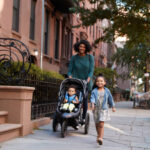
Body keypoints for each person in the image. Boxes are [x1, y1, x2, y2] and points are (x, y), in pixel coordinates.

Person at [68, 39, 94, 123]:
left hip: (85, 82)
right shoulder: (74, 57)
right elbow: (69, 70)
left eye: (83, 47)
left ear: (86, 48)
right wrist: (70, 77)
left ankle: (83, 117)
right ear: (77, 47)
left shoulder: (90, 57)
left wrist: (88, 80)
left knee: (84, 99)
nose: (81, 48)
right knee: (71, 97)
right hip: (75, 81)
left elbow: (91, 71)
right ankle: (71, 112)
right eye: (80, 46)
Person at [90, 74, 116, 145]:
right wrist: (92, 104)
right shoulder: (94, 91)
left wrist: (113, 106)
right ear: (96, 83)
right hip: (96, 109)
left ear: (104, 83)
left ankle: (101, 138)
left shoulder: (107, 91)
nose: (99, 82)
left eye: (101, 81)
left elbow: (110, 99)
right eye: (98, 81)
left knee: (101, 124)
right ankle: (98, 135)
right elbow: (92, 98)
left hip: (104, 109)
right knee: (97, 124)